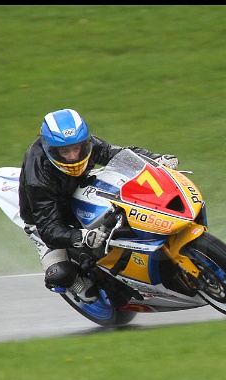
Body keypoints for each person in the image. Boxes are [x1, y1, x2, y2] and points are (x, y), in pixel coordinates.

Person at [19, 108, 180, 303]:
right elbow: (49, 228)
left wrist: (155, 160)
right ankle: (75, 283)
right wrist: (81, 237)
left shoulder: (87, 144)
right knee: (62, 276)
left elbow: (120, 154)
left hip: (81, 191)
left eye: (77, 148)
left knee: (129, 206)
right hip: (48, 217)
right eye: (65, 152)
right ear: (50, 149)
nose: (72, 156)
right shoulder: (38, 177)